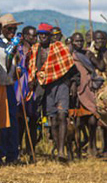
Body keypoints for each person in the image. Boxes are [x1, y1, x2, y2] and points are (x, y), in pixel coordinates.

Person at [29, 23, 75, 162]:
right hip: (45, 87)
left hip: (61, 85)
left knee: (62, 115)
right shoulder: (35, 49)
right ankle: (57, 146)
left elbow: (70, 67)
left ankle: (61, 152)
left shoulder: (59, 48)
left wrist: (72, 84)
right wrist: (32, 79)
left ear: (50, 36)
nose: (42, 36)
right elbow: (32, 68)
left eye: (45, 34)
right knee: (53, 120)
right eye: (40, 34)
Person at [0, 15, 21, 166]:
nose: (13, 31)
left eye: (14, 29)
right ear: (2, 29)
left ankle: (12, 154)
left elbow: (14, 65)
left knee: (12, 121)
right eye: (10, 28)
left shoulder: (13, 43)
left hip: (10, 85)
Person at [69, 32, 101, 157]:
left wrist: (95, 54)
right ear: (72, 42)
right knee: (76, 122)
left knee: (92, 119)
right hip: (75, 90)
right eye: (76, 41)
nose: (79, 43)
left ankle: (92, 144)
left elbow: (100, 67)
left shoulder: (87, 54)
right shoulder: (69, 55)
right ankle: (77, 148)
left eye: (81, 41)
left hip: (88, 90)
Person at [16, 26, 39, 162]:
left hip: (33, 87)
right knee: (20, 120)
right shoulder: (18, 49)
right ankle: (18, 150)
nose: (34, 38)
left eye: (35, 36)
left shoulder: (37, 50)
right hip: (19, 86)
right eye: (31, 36)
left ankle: (31, 151)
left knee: (33, 120)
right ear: (24, 36)